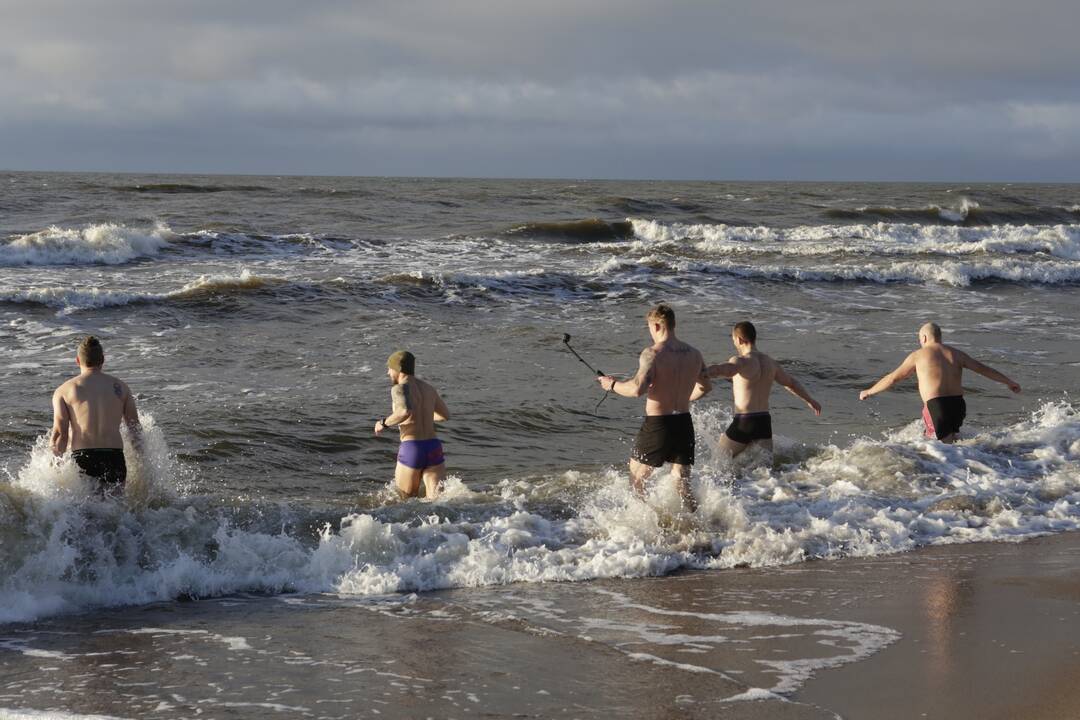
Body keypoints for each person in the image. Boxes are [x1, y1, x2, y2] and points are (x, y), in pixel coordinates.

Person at [597, 304, 711, 511]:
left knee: (637, 479)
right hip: (684, 423)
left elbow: (637, 389)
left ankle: (650, 528)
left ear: (657, 326)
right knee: (681, 481)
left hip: (659, 425)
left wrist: (611, 385)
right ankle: (697, 522)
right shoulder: (695, 354)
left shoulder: (652, 354)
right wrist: (683, 398)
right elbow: (705, 387)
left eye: (649, 327)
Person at [859, 322, 1021, 442]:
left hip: (937, 405)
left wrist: (869, 391)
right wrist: (1009, 382)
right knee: (952, 442)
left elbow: (893, 378)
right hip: (958, 406)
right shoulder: (956, 354)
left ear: (923, 338)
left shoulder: (918, 355)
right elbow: (983, 369)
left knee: (939, 447)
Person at [700, 321, 821, 458]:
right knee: (764, 473)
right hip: (763, 423)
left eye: (733, 340)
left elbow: (724, 369)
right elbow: (791, 383)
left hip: (743, 422)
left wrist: (703, 372)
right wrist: (809, 400)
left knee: (718, 462)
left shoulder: (741, 361)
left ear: (739, 340)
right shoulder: (770, 363)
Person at [51, 336, 141, 494]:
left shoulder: (64, 390)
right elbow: (134, 428)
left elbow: (61, 434)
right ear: (103, 360)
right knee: (116, 511)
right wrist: (143, 462)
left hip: (84, 457)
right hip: (114, 457)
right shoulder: (121, 387)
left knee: (85, 513)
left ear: (78, 360)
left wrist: (54, 467)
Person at [374, 350, 450, 498]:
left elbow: (404, 411)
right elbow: (445, 415)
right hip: (433, 447)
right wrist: (425, 416)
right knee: (438, 503)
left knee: (405, 502)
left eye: (389, 368)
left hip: (412, 448)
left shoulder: (399, 388)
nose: (388, 372)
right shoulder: (429, 388)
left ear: (398, 369)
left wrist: (383, 423)